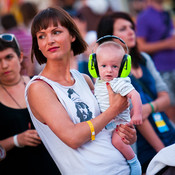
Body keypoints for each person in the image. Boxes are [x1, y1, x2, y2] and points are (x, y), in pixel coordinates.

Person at [25, 6, 137, 175]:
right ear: (38, 45)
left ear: (72, 35)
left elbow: (108, 126)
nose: (49, 40)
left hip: (124, 167)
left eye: (56, 32)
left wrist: (127, 134)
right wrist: (114, 109)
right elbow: (73, 138)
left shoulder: (83, 79)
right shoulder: (39, 87)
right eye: (42, 36)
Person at [97, 11, 175, 174]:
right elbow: (134, 115)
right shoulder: (111, 73)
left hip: (167, 131)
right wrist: (163, 154)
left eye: (131, 27)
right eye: (123, 29)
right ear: (109, 38)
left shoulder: (144, 58)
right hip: (146, 147)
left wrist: (148, 108)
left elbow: (166, 97)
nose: (131, 32)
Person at [0, 33, 61, 175]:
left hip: (55, 167)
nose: (4, 65)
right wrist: (16, 140)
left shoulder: (42, 83)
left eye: (9, 57)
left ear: (20, 57)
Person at [92, 40, 142, 175]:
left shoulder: (118, 82)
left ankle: (134, 162)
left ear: (123, 67)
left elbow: (135, 95)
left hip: (120, 123)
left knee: (116, 140)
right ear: (95, 66)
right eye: (103, 66)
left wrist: (137, 114)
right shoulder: (99, 82)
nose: (109, 70)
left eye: (114, 66)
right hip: (107, 123)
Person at [136, 0, 175, 124]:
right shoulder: (144, 17)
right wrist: (167, 44)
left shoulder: (166, 13)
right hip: (162, 69)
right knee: (170, 110)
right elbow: (140, 46)